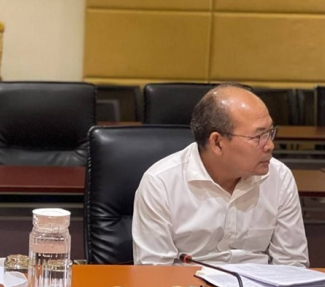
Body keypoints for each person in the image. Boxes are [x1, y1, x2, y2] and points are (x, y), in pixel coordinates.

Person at [132, 83, 308, 267]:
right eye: (258, 137)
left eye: (270, 132)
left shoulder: (279, 177)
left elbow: (292, 264)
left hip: (259, 284)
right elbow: (154, 271)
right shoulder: (161, 183)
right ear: (217, 142)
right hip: (188, 284)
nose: (270, 145)